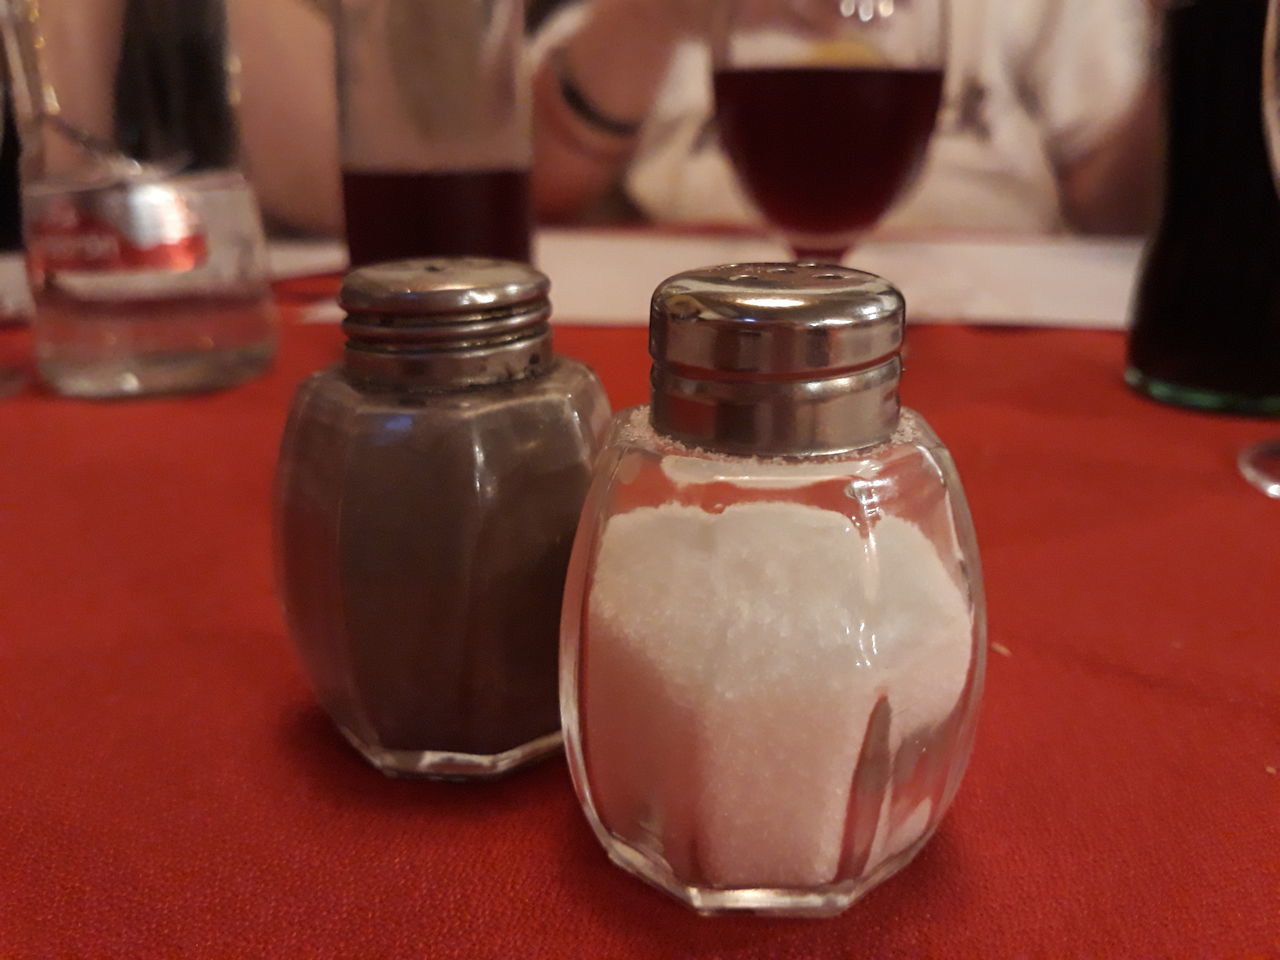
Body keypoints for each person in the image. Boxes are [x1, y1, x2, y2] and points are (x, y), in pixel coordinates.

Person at [530, 0, 1164, 235]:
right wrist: (652, 13)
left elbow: (1119, 210)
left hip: (995, 339)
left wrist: (1193, 47)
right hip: (725, 330)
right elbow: (538, 188)